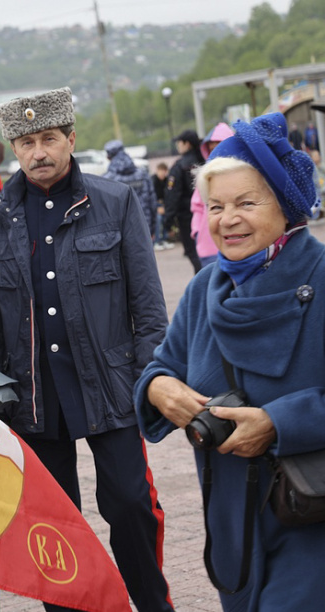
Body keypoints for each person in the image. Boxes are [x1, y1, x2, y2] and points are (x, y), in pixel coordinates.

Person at [0, 87, 174, 612]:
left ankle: (152, 603)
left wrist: (147, 376)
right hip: (35, 396)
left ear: (70, 138)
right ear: (12, 148)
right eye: (25, 142)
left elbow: (149, 307)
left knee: (131, 504)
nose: (37, 152)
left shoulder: (113, 201)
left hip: (110, 386)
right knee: (54, 524)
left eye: (47, 139)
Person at [134, 111, 325, 612]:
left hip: (314, 514)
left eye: (246, 202)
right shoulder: (205, 288)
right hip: (234, 522)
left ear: (285, 207)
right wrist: (158, 389)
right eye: (214, 206)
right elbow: (162, 367)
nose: (227, 219)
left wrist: (279, 423)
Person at [190, 122, 234, 268]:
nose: (215, 152)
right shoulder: (205, 174)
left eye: (219, 146)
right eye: (211, 148)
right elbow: (196, 205)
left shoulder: (243, 173)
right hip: (207, 242)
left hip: (235, 237)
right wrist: (196, 231)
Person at [102, 139, 158, 243]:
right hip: (144, 228)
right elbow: (152, 203)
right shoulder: (143, 174)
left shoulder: (106, 179)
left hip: (118, 234)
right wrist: (153, 229)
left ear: (108, 157)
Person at [166, 129, 205, 274]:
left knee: (193, 252)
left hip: (186, 216)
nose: (178, 146)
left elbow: (172, 195)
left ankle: (203, 281)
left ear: (187, 144)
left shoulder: (180, 165)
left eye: (179, 143)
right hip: (208, 211)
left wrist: (168, 220)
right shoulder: (205, 160)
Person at [152, 162, 173, 250]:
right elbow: (151, 197)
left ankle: (164, 239)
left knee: (166, 217)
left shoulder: (168, 180)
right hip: (155, 205)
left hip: (165, 204)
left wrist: (165, 206)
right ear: (157, 171)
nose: (162, 174)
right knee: (158, 218)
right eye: (160, 171)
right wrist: (157, 207)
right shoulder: (153, 180)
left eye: (163, 171)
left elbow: (169, 194)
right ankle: (157, 241)